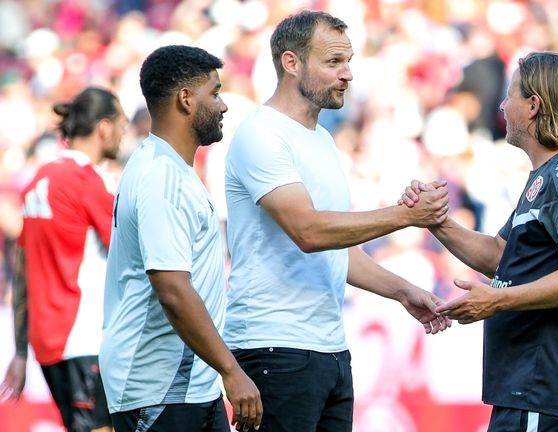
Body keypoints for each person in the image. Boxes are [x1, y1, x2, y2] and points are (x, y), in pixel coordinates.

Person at [224, 10, 451, 432]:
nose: (347, 74)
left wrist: (404, 291)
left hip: (329, 349)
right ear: (291, 63)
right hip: (273, 346)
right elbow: (308, 231)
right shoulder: (262, 134)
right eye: (333, 62)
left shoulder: (323, 139)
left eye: (348, 61)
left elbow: (338, 251)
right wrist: (406, 216)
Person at [402, 52, 558, 431]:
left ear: (533, 106)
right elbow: (500, 254)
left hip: (542, 388)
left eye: (510, 94)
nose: (501, 105)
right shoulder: (548, 176)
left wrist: (496, 300)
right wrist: (433, 219)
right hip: (525, 389)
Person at [100, 45, 261, 432]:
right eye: (215, 93)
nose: (223, 105)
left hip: (188, 386)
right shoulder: (162, 177)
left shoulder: (167, 167)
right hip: (158, 387)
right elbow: (171, 288)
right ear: (186, 99)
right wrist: (231, 370)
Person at [0, 87, 126, 432]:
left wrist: (21, 351)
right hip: (87, 338)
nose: (123, 134)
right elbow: (133, 258)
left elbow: (23, 271)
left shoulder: (39, 180)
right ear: (104, 128)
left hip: (49, 344)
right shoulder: (89, 181)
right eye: (121, 125)